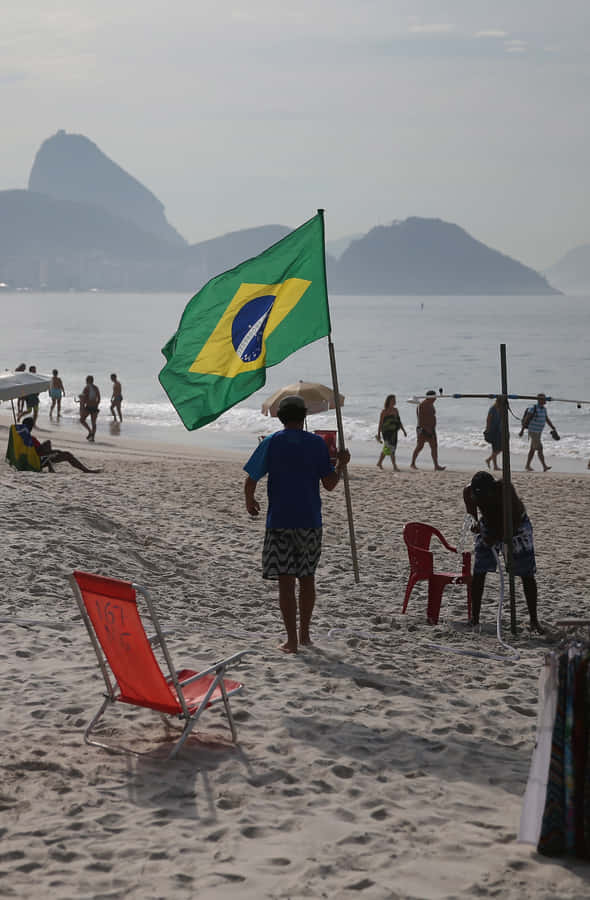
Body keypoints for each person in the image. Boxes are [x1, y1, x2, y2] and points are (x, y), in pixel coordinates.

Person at [243, 395, 350, 654]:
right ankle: (305, 636)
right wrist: (342, 465)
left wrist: (250, 500)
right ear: (304, 417)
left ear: (281, 417)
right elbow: (330, 484)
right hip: (309, 521)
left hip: (280, 520)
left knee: (286, 582)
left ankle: (291, 640)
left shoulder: (271, 442)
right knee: (308, 578)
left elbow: (251, 478)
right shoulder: (317, 444)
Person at [463, 470, 541, 632]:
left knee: (526, 574)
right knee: (479, 571)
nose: (482, 500)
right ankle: (474, 618)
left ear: (492, 489)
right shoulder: (469, 493)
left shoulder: (505, 491)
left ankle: (534, 620)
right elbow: (473, 516)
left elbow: (511, 522)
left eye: (485, 496)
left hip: (516, 527)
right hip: (489, 525)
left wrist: (497, 537)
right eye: (479, 498)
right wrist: (477, 525)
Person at [19, 418, 101, 473]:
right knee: (67, 455)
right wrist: (56, 451)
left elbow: (38, 450)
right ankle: (86, 470)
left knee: (48, 442)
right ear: (31, 426)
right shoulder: (31, 439)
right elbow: (42, 453)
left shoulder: (21, 438)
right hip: (39, 460)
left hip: (33, 457)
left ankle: (50, 466)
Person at [519, 393, 556, 472]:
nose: (545, 400)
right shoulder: (533, 408)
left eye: (545, 399)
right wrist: (522, 430)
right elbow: (526, 420)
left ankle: (527, 465)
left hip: (539, 432)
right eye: (543, 399)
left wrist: (552, 427)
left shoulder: (544, 409)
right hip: (533, 431)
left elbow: (546, 419)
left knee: (532, 450)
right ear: (539, 400)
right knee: (540, 448)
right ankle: (544, 466)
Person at [410, 390, 445, 471]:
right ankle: (412, 463)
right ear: (429, 397)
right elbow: (420, 419)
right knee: (420, 446)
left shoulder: (431, 404)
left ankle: (436, 465)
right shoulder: (421, 405)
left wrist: (431, 428)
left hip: (432, 429)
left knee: (434, 447)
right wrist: (426, 428)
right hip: (422, 429)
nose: (435, 398)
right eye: (434, 397)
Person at [376, 394, 407, 471]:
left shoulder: (396, 410)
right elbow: (380, 423)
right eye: (393, 400)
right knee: (390, 448)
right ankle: (395, 466)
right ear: (389, 401)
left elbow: (399, 421)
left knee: (389, 448)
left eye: (395, 400)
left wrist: (403, 430)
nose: (394, 401)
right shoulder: (384, 411)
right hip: (386, 432)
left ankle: (379, 462)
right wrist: (379, 434)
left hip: (394, 432)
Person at [79, 375, 100, 441]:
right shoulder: (96, 387)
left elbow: (83, 399)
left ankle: (90, 431)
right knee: (93, 423)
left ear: (87, 381)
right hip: (95, 407)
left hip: (88, 407)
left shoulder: (86, 388)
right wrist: (96, 404)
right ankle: (92, 437)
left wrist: (81, 406)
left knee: (82, 420)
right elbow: (99, 398)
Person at [484, 396, 502, 471]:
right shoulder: (493, 408)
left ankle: (489, 460)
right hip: (493, 431)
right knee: (495, 448)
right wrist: (488, 429)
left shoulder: (501, 409)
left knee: (500, 448)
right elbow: (488, 419)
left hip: (499, 430)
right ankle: (494, 465)